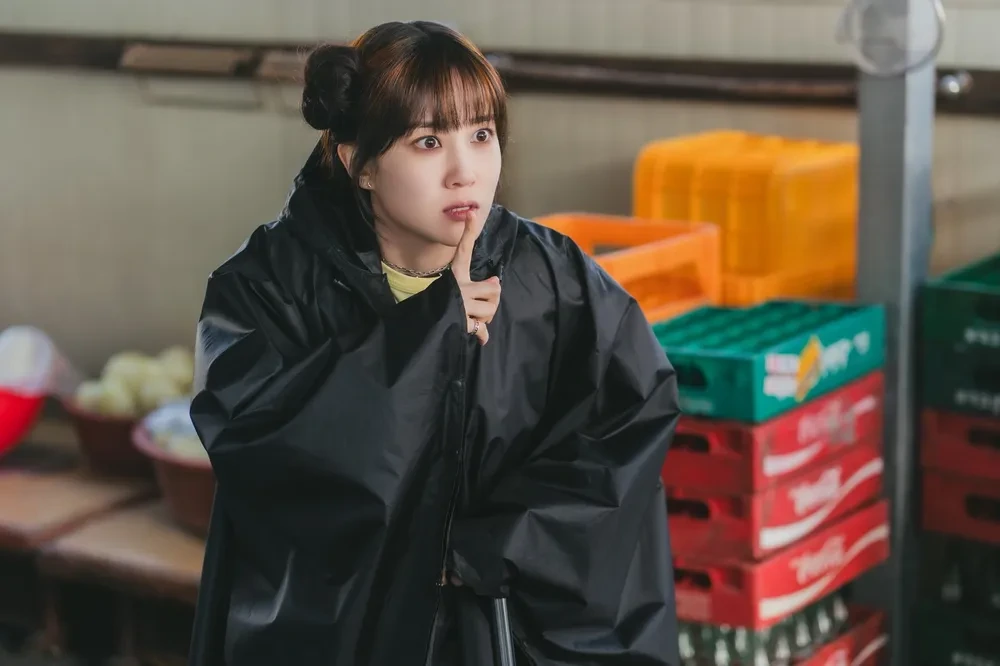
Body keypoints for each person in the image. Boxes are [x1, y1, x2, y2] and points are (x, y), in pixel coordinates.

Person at [187, 20, 681, 666]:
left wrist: (491, 548)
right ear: (358, 162)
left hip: (510, 629)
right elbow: (269, 453)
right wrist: (428, 330)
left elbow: (631, 417)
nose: (464, 172)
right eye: (427, 142)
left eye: (481, 135)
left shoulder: (549, 277)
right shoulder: (268, 287)